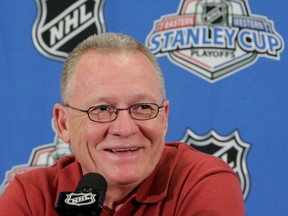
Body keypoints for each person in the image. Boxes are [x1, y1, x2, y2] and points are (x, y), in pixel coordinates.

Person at [0, 33, 245, 215]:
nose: (125, 128)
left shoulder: (201, 182)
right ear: (63, 124)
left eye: (143, 108)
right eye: (102, 109)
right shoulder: (32, 196)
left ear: (164, 118)